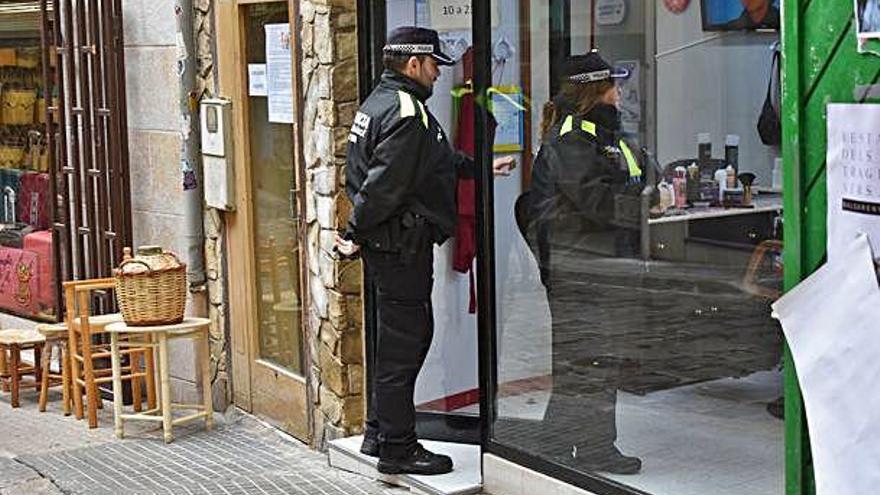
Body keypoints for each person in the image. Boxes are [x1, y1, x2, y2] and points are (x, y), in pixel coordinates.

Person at [336, 26, 513, 476]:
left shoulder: (383, 102)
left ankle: (379, 431)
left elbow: (429, 162)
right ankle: (399, 448)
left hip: (391, 245)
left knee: (396, 340)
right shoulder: (407, 112)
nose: (437, 74)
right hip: (400, 248)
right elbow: (384, 185)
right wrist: (353, 232)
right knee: (405, 345)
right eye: (434, 65)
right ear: (413, 64)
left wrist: (479, 167)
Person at [526, 50, 643, 475]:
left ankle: (585, 447)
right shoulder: (573, 137)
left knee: (598, 360)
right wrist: (644, 205)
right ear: (596, 90)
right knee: (585, 362)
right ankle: (561, 448)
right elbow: (596, 201)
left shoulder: (603, 133)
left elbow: (638, 170)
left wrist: (650, 189)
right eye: (614, 85)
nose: (620, 92)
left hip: (602, 263)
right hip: (581, 268)